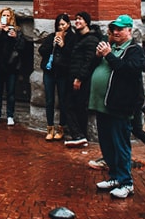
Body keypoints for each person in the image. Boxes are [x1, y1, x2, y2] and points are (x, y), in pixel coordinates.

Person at [91, 15, 145, 200]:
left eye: (120, 29)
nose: (116, 32)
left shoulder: (134, 50)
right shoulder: (110, 47)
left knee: (120, 144)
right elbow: (92, 68)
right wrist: (98, 57)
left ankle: (126, 182)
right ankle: (114, 177)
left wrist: (108, 55)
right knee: (107, 144)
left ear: (129, 30)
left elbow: (128, 71)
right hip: (102, 104)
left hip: (120, 106)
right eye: (113, 28)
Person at [64, 12, 101, 148]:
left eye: (80, 19)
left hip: (81, 79)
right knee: (76, 106)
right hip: (74, 77)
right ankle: (80, 136)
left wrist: (79, 78)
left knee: (73, 106)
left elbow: (89, 61)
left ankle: (79, 135)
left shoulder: (91, 40)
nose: (77, 21)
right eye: (76, 19)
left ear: (87, 22)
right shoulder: (78, 38)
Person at [0, 6, 25, 126]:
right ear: (0, 17)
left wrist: (15, 38)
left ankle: (10, 115)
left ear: (11, 17)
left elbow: (22, 47)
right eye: (4, 15)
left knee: (11, 92)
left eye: (8, 15)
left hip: (11, 65)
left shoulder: (17, 30)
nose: (6, 17)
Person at [39, 13, 72, 141]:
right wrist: (51, 45)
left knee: (62, 100)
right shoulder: (52, 36)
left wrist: (63, 46)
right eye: (59, 24)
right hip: (50, 72)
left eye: (63, 24)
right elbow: (41, 51)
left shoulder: (71, 38)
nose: (61, 27)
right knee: (49, 100)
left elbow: (71, 56)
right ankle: (50, 128)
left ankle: (61, 128)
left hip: (63, 73)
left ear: (68, 25)